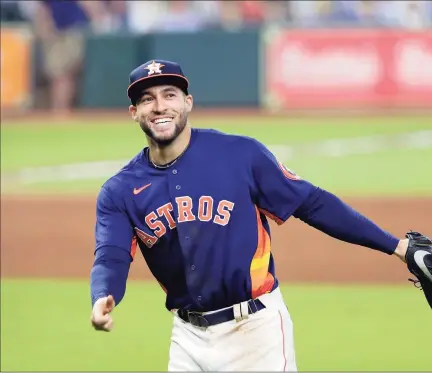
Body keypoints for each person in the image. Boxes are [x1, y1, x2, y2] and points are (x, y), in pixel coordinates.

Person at [89, 59, 410, 371]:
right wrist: (103, 295)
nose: (159, 106)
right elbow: (111, 256)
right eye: (147, 99)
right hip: (187, 339)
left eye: (169, 95)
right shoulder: (119, 191)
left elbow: (312, 203)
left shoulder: (240, 155)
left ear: (188, 102)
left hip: (256, 333)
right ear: (134, 113)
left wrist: (397, 247)